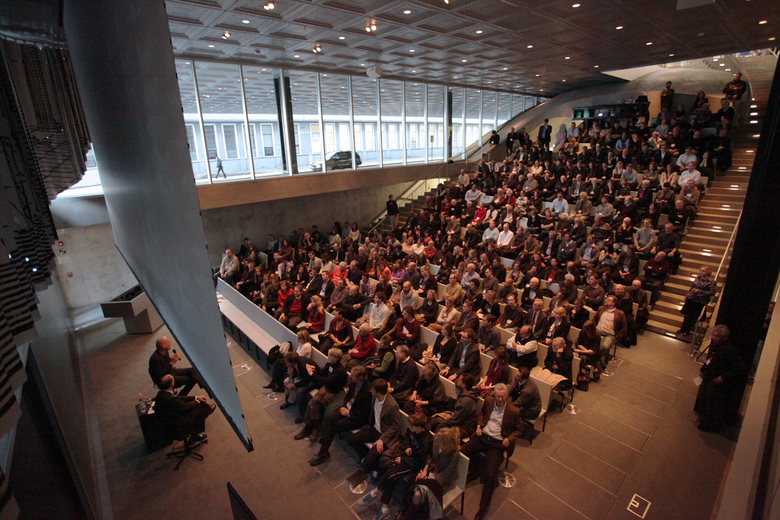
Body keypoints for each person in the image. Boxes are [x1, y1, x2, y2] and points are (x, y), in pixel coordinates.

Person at [461, 384, 524, 520]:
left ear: (507, 396)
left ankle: (482, 508)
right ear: (494, 395)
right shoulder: (489, 401)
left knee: (490, 475)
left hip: (497, 444)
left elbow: (520, 429)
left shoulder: (513, 411)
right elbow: (481, 413)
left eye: (503, 397)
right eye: (498, 396)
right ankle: (472, 471)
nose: (500, 399)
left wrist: (509, 439)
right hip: (483, 436)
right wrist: (479, 426)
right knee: (462, 451)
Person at [361, 412, 432, 520]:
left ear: (418, 427)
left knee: (391, 474)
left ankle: (375, 492)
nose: (409, 427)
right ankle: (384, 508)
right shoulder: (412, 430)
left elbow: (420, 462)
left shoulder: (425, 441)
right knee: (391, 477)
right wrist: (407, 447)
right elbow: (407, 437)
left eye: (412, 426)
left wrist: (403, 460)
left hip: (413, 465)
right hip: (406, 456)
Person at [310, 366, 373, 466]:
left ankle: (324, 448)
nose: (350, 376)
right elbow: (348, 396)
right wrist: (344, 405)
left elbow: (365, 412)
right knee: (329, 418)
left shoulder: (368, 390)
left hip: (358, 417)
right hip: (348, 409)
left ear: (360, 378)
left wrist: (349, 413)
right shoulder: (353, 383)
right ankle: (324, 450)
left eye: (352, 376)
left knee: (335, 425)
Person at [347, 379, 403, 475]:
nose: (370, 391)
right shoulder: (374, 397)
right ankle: (365, 457)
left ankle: (374, 467)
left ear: (378, 392)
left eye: (372, 390)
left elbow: (396, 426)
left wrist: (382, 439)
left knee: (368, 461)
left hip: (385, 434)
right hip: (375, 429)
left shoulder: (392, 405)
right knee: (351, 439)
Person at [694, 325, 745, 432]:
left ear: (725, 337)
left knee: (712, 403)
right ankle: (704, 420)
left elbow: (739, 368)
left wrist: (723, 377)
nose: (714, 338)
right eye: (714, 335)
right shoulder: (717, 346)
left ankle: (710, 425)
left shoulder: (729, 349)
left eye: (717, 336)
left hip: (716, 380)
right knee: (705, 399)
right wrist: (703, 370)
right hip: (709, 376)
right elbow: (711, 360)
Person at [294, 348, 348, 439]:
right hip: (326, 387)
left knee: (320, 403)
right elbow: (322, 373)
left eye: (329, 355)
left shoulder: (340, 370)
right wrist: (314, 370)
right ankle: (310, 427)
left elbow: (326, 380)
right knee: (313, 402)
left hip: (334, 391)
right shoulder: (329, 364)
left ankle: (313, 427)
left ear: (335, 358)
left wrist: (312, 375)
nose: (328, 357)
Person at [154, 374, 215, 444]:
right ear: (172, 384)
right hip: (176, 425)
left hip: (167, 421)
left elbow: (178, 398)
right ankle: (194, 435)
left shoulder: (161, 394)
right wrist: (197, 401)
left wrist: (195, 397)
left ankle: (194, 434)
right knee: (200, 408)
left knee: (196, 404)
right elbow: (187, 407)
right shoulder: (171, 399)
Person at [678, 266, 716, 336]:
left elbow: (712, 292)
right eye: (700, 270)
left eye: (703, 271)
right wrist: (687, 295)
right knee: (686, 314)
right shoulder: (698, 278)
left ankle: (687, 330)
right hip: (691, 298)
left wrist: (699, 291)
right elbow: (693, 287)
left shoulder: (711, 281)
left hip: (699, 301)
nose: (701, 272)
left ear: (707, 272)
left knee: (692, 316)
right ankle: (682, 328)